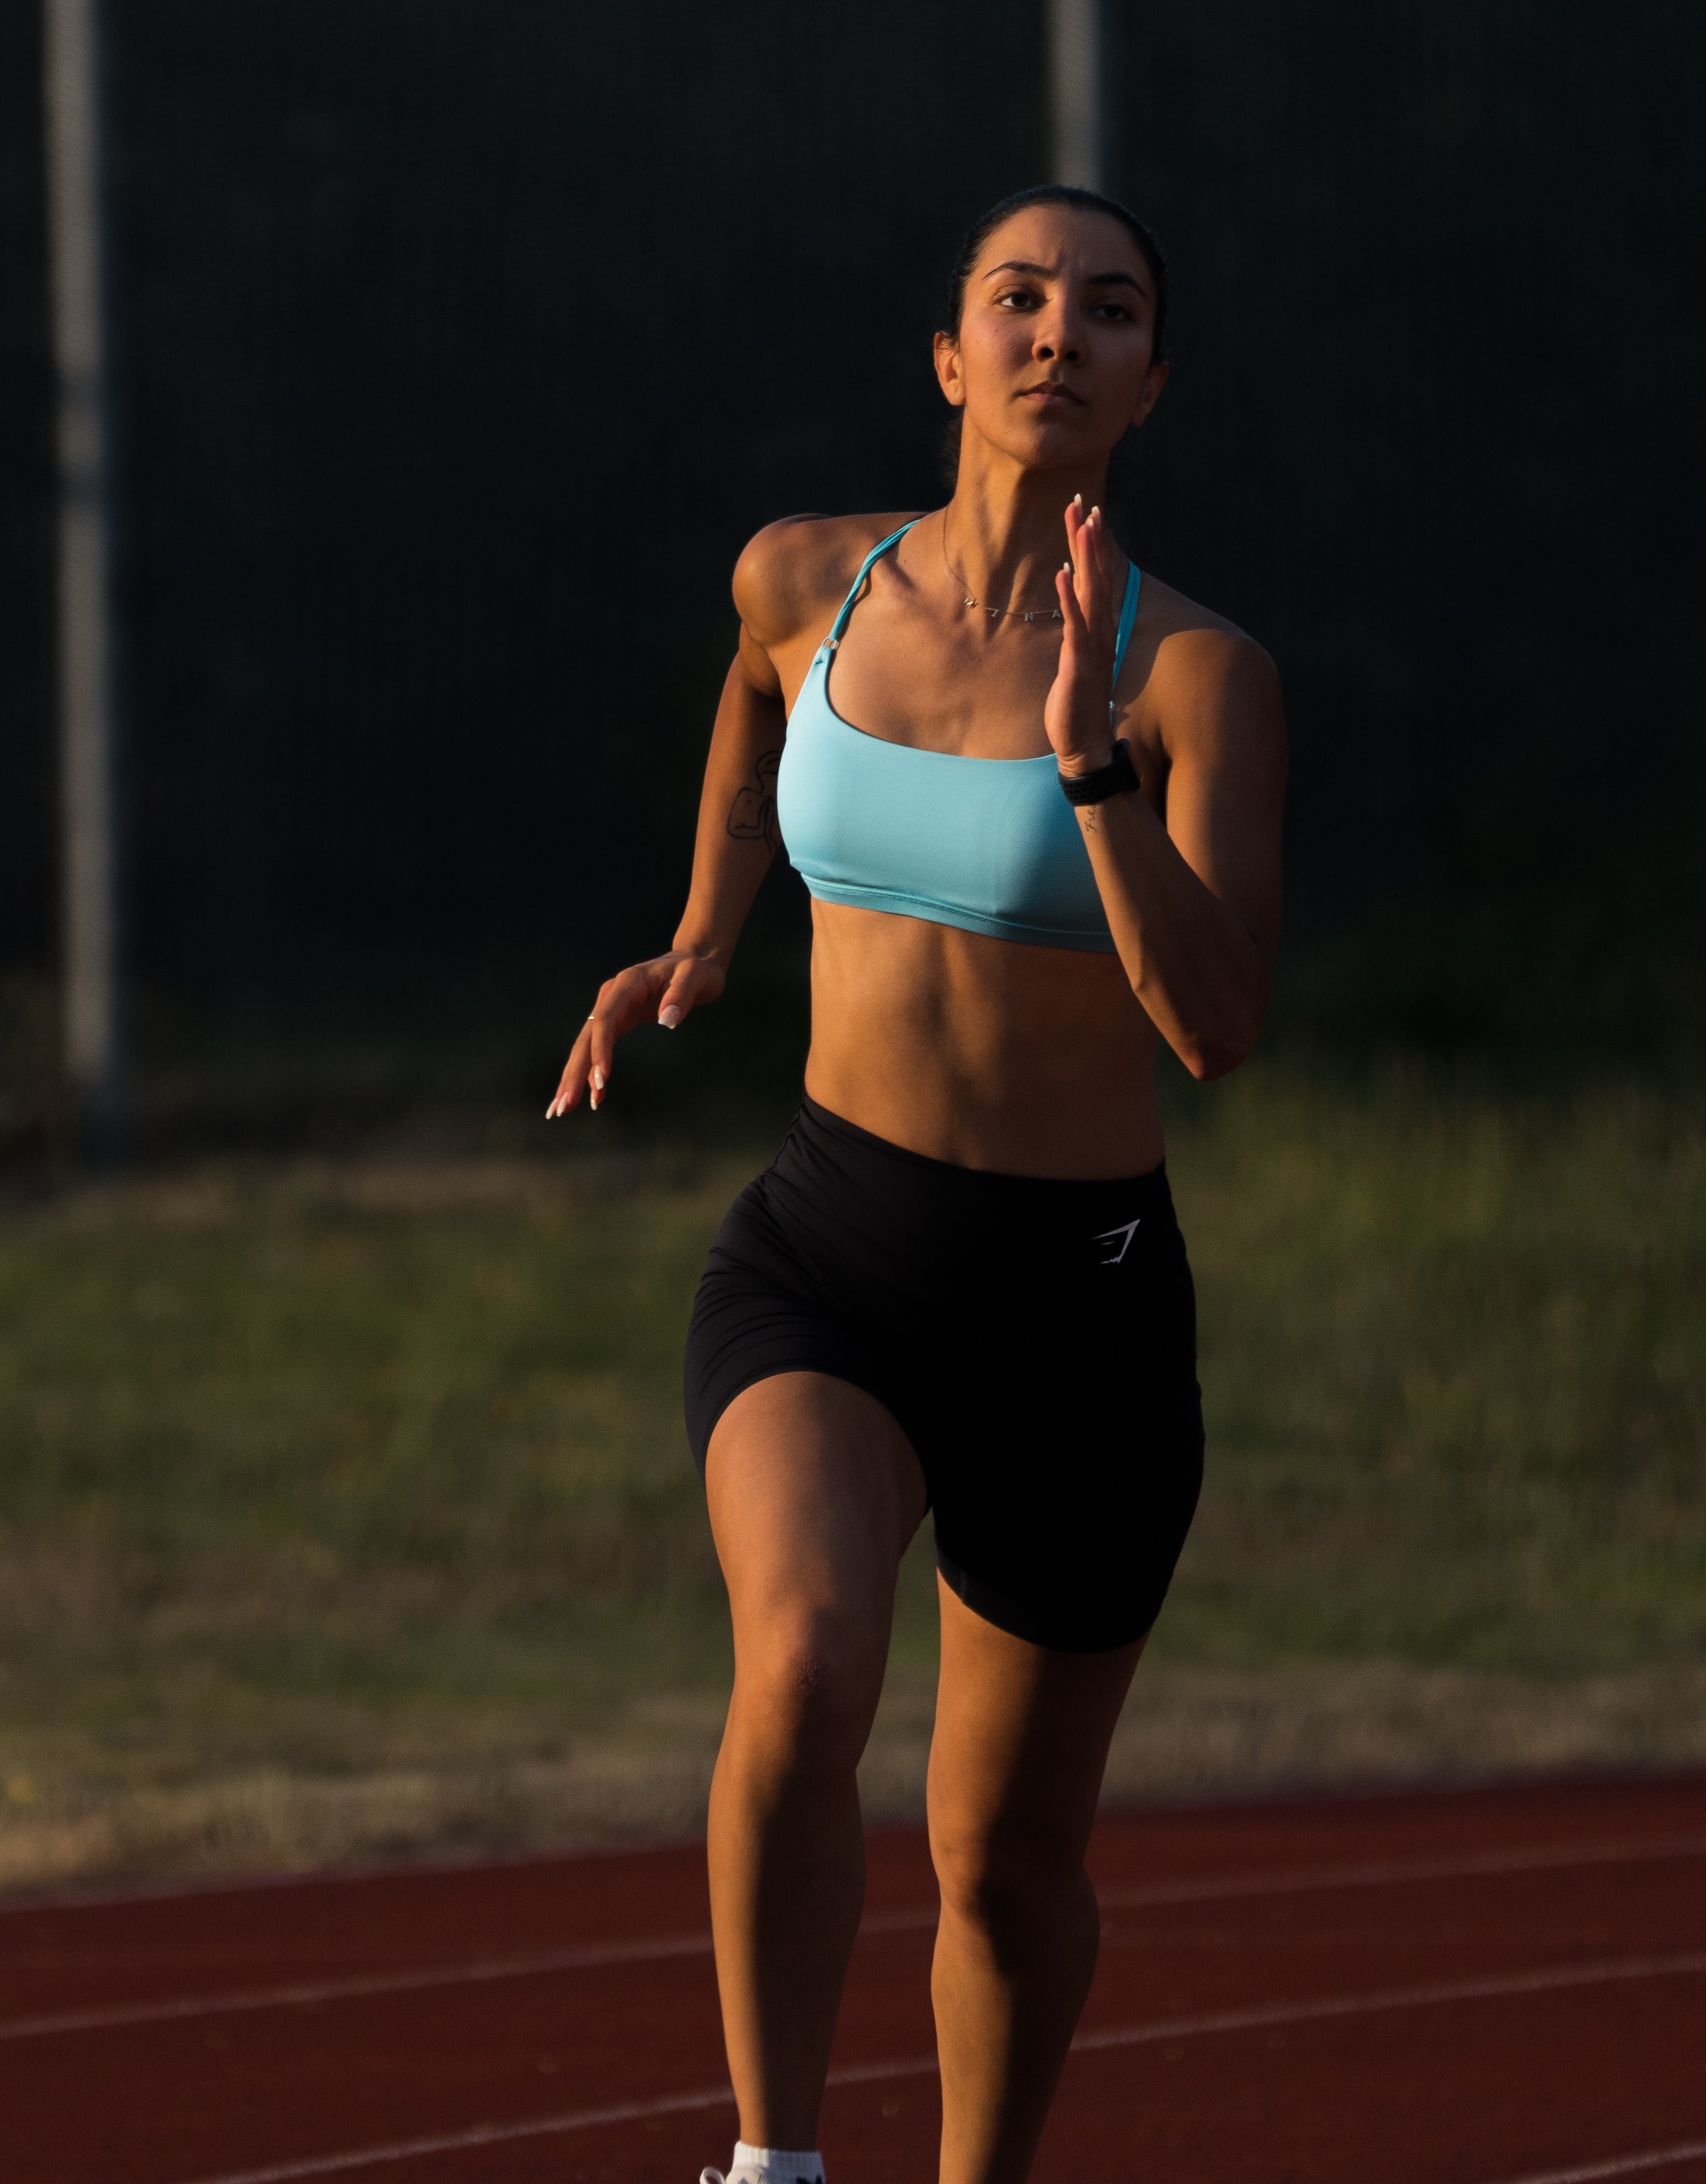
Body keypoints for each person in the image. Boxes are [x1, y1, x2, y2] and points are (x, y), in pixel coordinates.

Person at [548, 184, 1285, 2184]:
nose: (1061, 333)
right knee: (802, 1663)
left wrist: (1093, 767)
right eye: (1020, 300)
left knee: (1006, 1867)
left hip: (1080, 1309)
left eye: (1109, 310)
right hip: (834, 1252)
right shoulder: (807, 576)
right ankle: (769, 2166)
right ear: (951, 358)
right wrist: (704, 929)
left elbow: (1216, 1026)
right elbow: (751, 692)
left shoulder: (1197, 676)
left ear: (1150, 382)